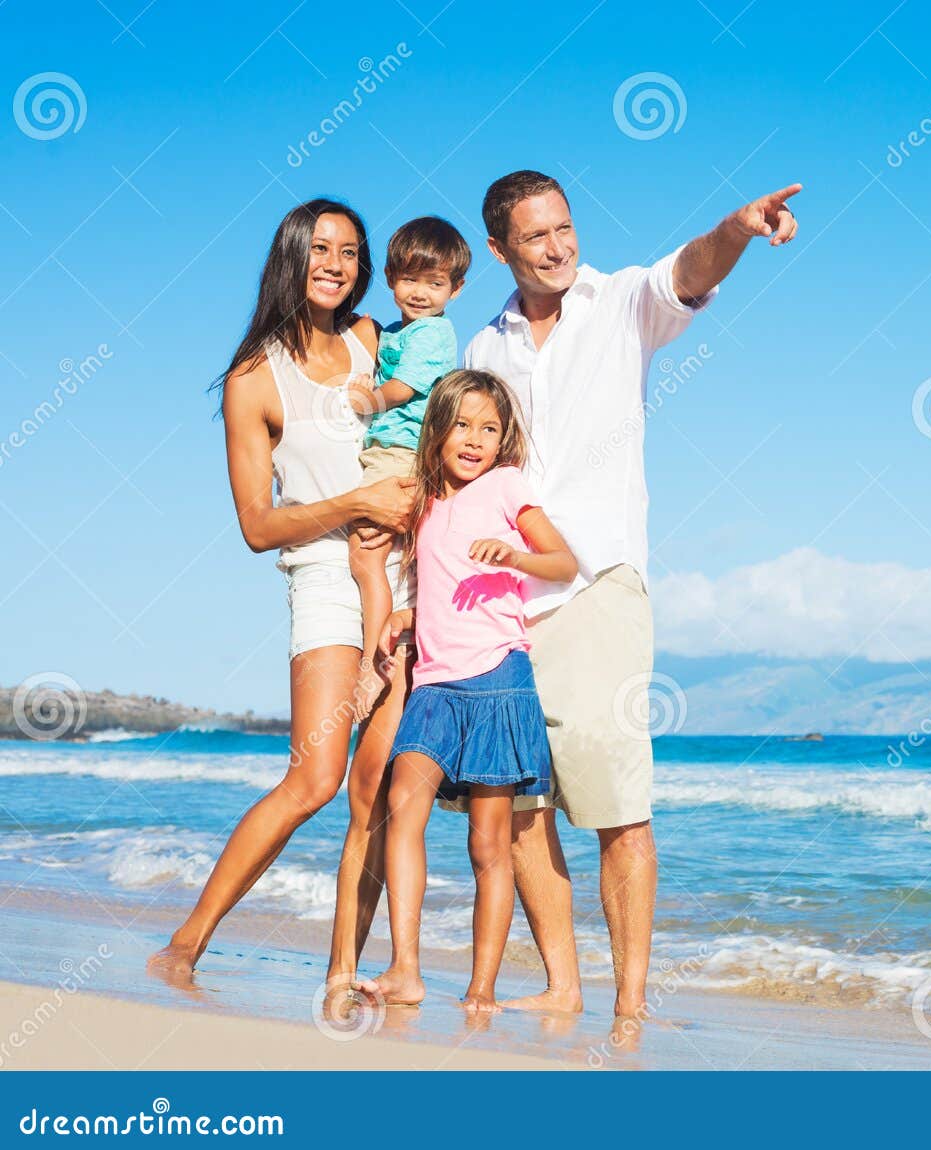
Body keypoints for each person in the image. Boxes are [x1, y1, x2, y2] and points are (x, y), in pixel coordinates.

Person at [462, 169, 800, 1019]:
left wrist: (737, 227)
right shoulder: (482, 350)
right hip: (502, 604)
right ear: (501, 249)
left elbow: (686, 271)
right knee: (521, 807)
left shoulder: (618, 302)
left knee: (618, 804)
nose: (557, 247)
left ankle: (632, 1001)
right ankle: (564, 986)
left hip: (597, 584)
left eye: (564, 227)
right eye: (535, 237)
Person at [147, 200, 417, 998]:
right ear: (291, 256)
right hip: (327, 579)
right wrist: (356, 508)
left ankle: (347, 972)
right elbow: (257, 525)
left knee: (380, 786)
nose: (335, 262)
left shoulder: (376, 341)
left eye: (350, 251)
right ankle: (186, 941)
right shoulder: (253, 378)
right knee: (316, 777)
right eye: (320, 248)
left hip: (406, 578)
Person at [356, 370, 577, 1012]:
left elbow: (562, 562)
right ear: (438, 428)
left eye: (490, 428)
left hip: (497, 681)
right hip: (433, 684)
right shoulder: (424, 502)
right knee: (403, 806)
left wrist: (515, 559)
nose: (475, 439)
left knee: (489, 842)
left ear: (504, 438)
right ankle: (406, 968)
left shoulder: (507, 487)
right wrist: (406, 615)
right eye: (462, 425)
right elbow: (439, 578)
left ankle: (481, 988)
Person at [347, 216, 471, 720]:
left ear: (455, 290)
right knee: (393, 563)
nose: (419, 292)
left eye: (434, 283)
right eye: (410, 280)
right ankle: (394, 650)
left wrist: (369, 400)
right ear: (392, 279)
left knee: (365, 558)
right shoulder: (403, 329)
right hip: (398, 454)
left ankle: (372, 662)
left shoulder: (433, 335)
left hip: (399, 454)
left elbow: (407, 388)